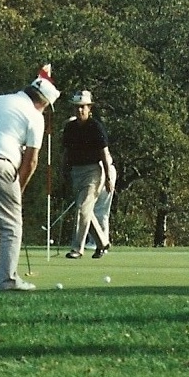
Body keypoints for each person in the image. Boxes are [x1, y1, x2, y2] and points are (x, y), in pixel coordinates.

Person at [0, 67, 60, 291]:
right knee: (11, 226)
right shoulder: (34, 116)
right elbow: (31, 162)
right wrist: (18, 190)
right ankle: (7, 280)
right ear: (43, 103)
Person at [62, 90, 113, 259]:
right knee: (86, 211)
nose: (79, 110)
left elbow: (104, 153)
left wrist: (108, 178)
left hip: (93, 172)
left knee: (82, 208)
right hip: (77, 172)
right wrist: (64, 172)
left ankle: (77, 249)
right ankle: (102, 243)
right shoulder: (70, 127)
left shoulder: (95, 127)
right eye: (77, 107)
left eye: (83, 107)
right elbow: (67, 152)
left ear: (89, 108)